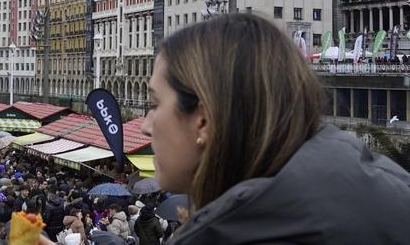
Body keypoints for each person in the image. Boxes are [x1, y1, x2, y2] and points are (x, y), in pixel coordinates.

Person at [141, 13, 410, 243]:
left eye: (155, 104)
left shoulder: (239, 233)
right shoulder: (376, 191)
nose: (145, 126)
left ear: (204, 120)